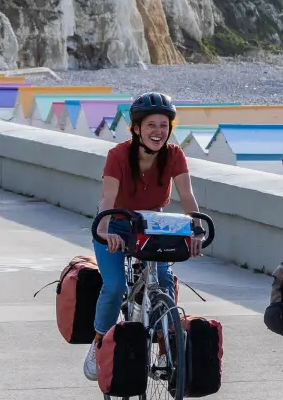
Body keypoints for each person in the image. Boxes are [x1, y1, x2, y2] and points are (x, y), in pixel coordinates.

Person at [84, 92, 201, 381]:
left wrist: (196, 228)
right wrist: (103, 230)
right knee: (114, 287)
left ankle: (166, 349)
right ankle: (100, 342)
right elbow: (108, 198)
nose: (158, 132)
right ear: (136, 128)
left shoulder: (174, 155)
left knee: (163, 282)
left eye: (163, 125)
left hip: (154, 225)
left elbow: (187, 197)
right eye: (151, 125)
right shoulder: (118, 155)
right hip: (117, 223)